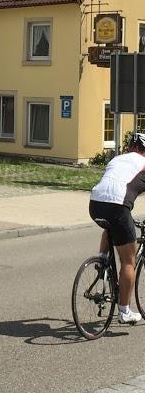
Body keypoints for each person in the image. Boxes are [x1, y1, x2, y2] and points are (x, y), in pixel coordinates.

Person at [89, 133, 145, 324]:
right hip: (117, 206)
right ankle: (125, 311)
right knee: (129, 261)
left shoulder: (117, 159)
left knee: (110, 226)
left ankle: (102, 260)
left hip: (95, 203)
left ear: (132, 147)